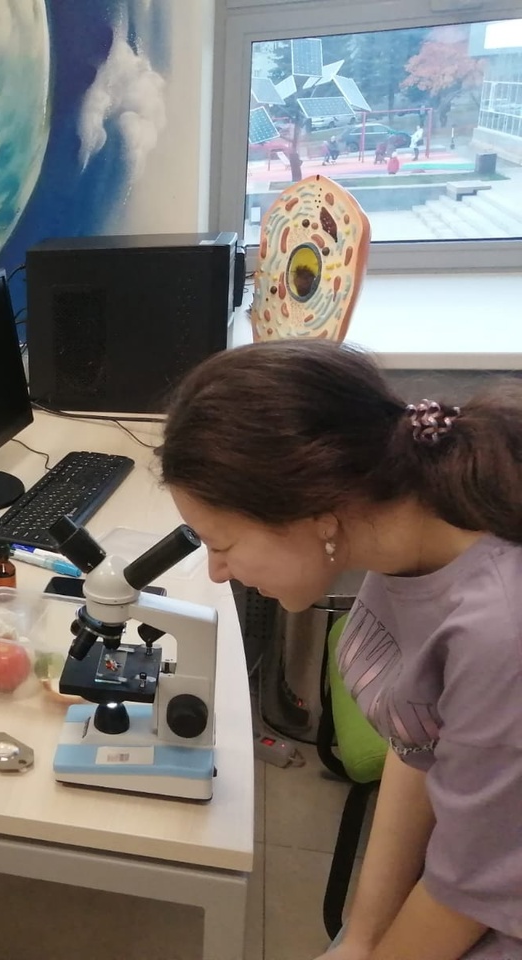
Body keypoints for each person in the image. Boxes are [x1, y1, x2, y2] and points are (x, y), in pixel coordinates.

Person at [158, 341, 522, 960]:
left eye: (223, 545)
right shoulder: (404, 531)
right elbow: (417, 742)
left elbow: (469, 894)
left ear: (318, 517)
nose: (218, 573)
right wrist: (361, 935)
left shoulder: (498, 630)